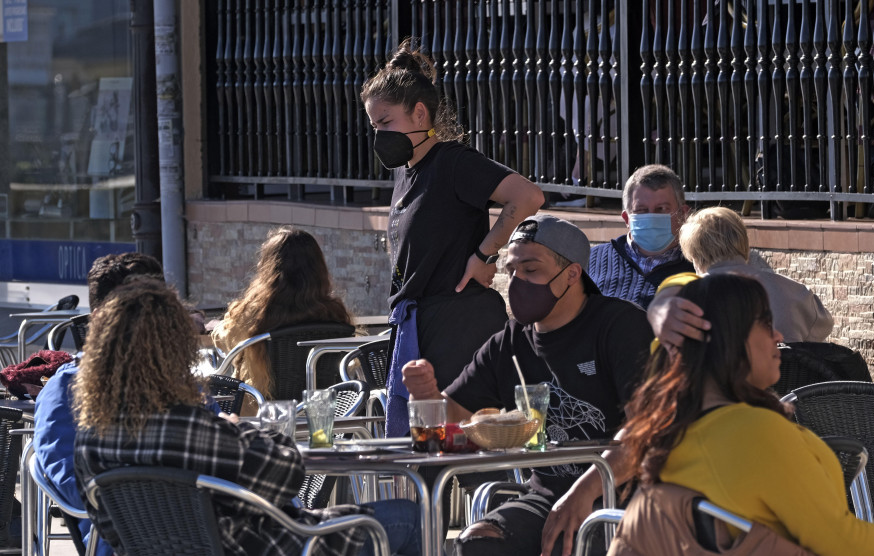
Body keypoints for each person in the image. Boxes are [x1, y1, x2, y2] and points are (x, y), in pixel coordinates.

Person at [71, 278, 420, 556]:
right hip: (280, 545)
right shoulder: (189, 427)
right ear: (172, 352)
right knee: (408, 517)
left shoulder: (89, 440)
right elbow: (287, 477)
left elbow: (111, 530)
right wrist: (238, 431)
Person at [402, 214, 654, 556]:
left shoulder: (619, 325)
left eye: (531, 270)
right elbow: (443, 431)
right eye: (512, 271)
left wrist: (583, 493)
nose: (518, 281)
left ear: (572, 274)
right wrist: (426, 395)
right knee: (477, 542)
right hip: (546, 498)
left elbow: (644, 430)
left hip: (622, 497)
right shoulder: (510, 342)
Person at [616, 273, 874, 555]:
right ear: (729, 336)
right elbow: (843, 543)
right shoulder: (755, 432)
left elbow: (673, 337)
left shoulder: (673, 425)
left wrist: (662, 304)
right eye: (765, 324)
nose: (778, 335)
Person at [361, 38, 545, 436]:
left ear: (419, 113)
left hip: (462, 323)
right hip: (420, 324)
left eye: (386, 122)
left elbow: (527, 196)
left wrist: (485, 254)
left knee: (463, 444)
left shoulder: (453, 162)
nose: (378, 135)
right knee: (428, 446)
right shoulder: (404, 174)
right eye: (374, 125)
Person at [33, 252, 166, 556]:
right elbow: (73, 487)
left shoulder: (180, 383)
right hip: (123, 541)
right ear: (102, 319)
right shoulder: (66, 389)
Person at [212, 226, 354, 399]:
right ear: (319, 268)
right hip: (324, 410)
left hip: (262, 410)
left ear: (267, 268)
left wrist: (218, 326)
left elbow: (224, 341)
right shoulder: (334, 313)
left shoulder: (251, 314)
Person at [678, 206, 833, 343]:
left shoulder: (685, 300)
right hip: (788, 374)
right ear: (744, 243)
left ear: (696, 257)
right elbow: (823, 328)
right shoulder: (796, 292)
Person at [586, 164, 694, 309]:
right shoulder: (592, 259)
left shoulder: (700, 264)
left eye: (661, 209)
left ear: (683, 214)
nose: (651, 216)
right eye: (641, 210)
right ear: (626, 219)